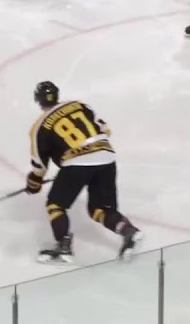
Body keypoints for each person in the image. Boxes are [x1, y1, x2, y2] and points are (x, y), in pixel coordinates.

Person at [24, 80, 143, 264]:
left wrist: (34, 183)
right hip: (106, 157)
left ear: (38, 100)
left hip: (76, 164)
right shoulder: (79, 105)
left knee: (55, 205)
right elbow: (106, 130)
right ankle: (129, 232)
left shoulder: (39, 127)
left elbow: (39, 165)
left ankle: (63, 246)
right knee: (99, 209)